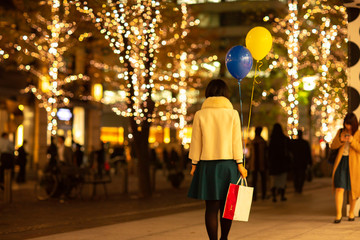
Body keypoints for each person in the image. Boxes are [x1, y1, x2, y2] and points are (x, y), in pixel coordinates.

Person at [187, 79, 247, 240]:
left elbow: (196, 141)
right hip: (229, 166)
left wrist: (194, 163)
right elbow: (236, 142)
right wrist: (240, 164)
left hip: (208, 166)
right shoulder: (233, 113)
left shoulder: (200, 114)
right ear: (225, 94)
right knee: (228, 207)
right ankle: (224, 239)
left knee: (211, 208)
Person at [330, 112, 360, 223]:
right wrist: (340, 140)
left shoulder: (358, 133)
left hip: (355, 164)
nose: (348, 127)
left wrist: (352, 141)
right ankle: (338, 215)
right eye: (346, 124)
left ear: (354, 124)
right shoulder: (340, 132)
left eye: (350, 124)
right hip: (341, 162)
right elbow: (333, 145)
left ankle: (351, 213)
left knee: (353, 190)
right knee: (339, 188)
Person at [268, 123, 291, 202]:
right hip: (282, 163)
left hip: (273, 163)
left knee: (273, 181)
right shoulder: (284, 139)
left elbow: (269, 152)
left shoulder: (272, 140)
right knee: (282, 180)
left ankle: (274, 196)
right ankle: (282, 196)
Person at [249, 126, 268, 201]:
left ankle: (254, 196)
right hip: (261, 163)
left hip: (254, 163)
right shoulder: (263, 141)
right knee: (263, 180)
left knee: (254, 181)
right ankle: (263, 194)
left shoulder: (253, 141)